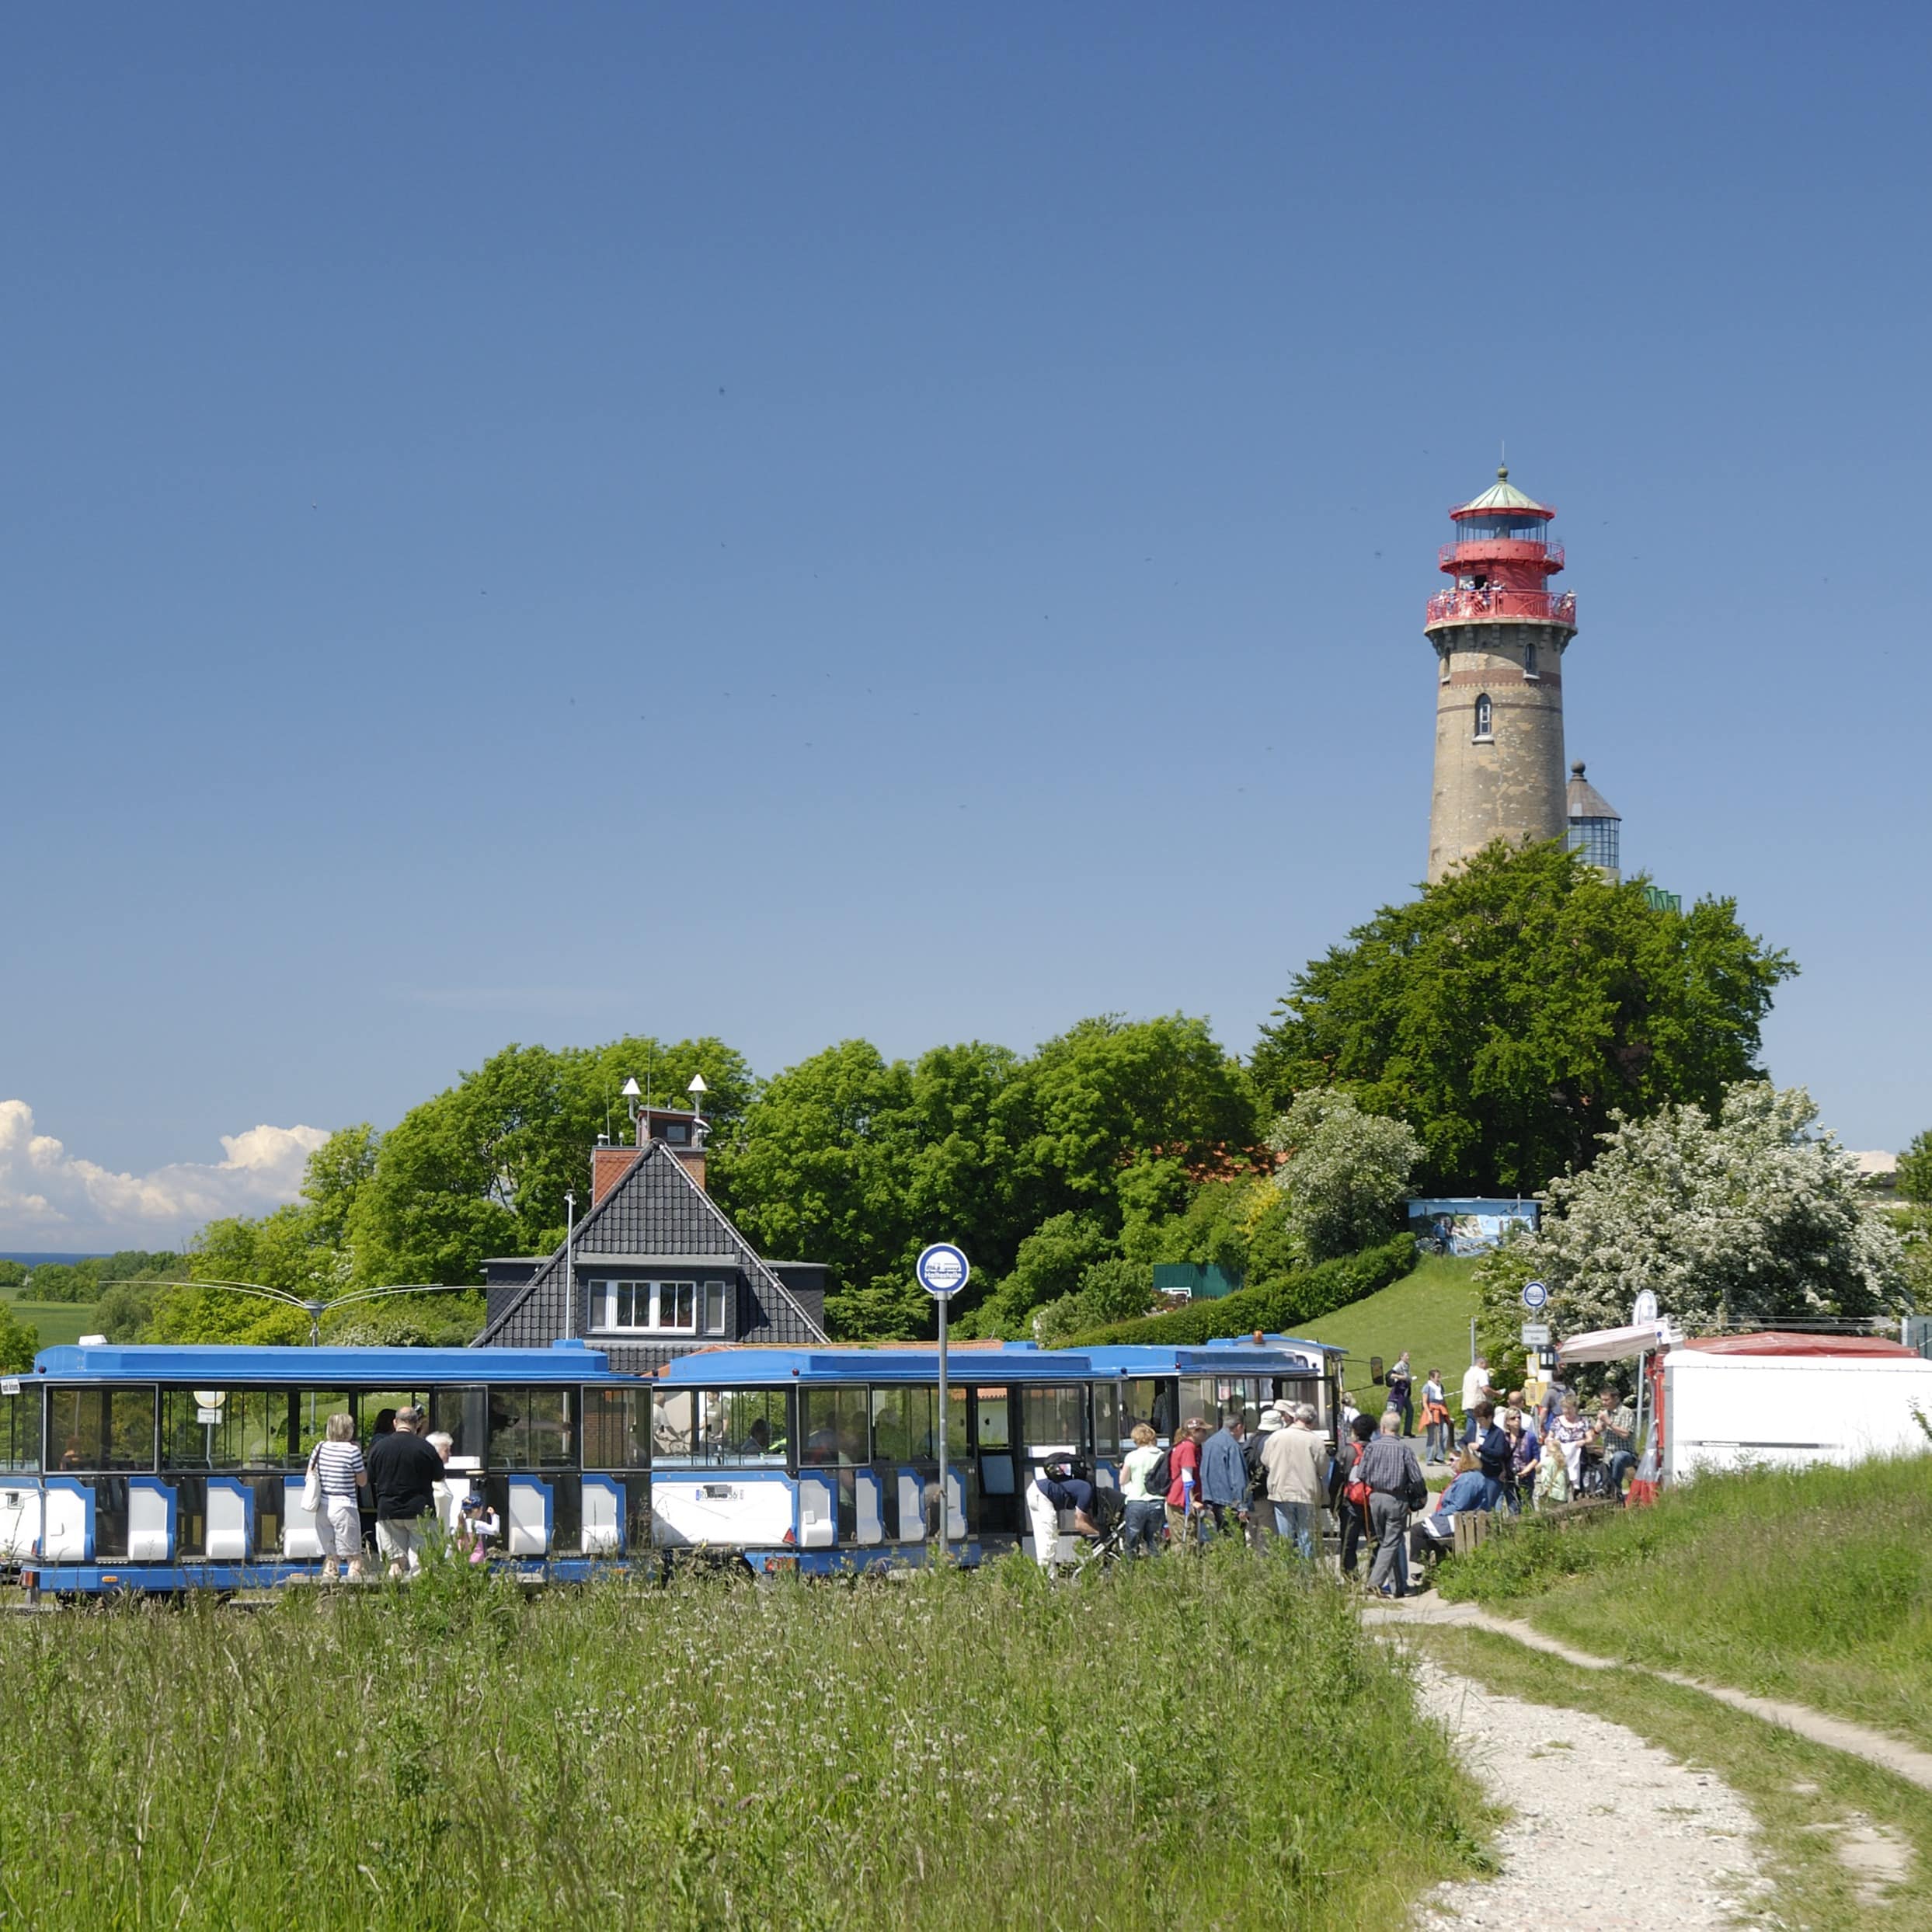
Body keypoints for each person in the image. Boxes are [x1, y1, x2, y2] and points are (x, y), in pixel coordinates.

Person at [365, 1405, 447, 1579]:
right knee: (422, 1562)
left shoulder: (379, 1448)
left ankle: (395, 1600)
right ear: (417, 1424)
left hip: (388, 1511)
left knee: (394, 1563)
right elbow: (439, 1477)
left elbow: (369, 1479)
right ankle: (420, 1601)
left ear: (395, 1422)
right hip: (420, 1511)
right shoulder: (426, 1448)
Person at [1356, 1414, 1425, 1599]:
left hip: (1375, 1497)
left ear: (1382, 1428)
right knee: (1391, 1542)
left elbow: (1361, 1473)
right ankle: (1375, 1582)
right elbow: (1416, 1477)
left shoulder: (1371, 1448)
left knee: (1386, 1541)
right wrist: (1421, 1496)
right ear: (1398, 1428)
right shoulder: (1404, 1449)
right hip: (1396, 1498)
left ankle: (1398, 1586)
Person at [1261, 1401, 1327, 1558]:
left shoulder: (1276, 1437)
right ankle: (1306, 1578)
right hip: (1307, 1494)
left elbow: (1265, 1460)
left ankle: (1286, 1575)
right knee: (1307, 1539)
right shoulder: (1315, 1440)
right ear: (1312, 1422)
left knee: (1285, 1538)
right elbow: (1323, 1468)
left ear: (1295, 1417)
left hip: (1281, 1492)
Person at [309, 1412, 368, 1581]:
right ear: (348, 1430)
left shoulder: (319, 1447)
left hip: (323, 1506)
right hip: (345, 1506)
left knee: (331, 1556)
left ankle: (329, 1591)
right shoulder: (352, 1451)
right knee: (353, 1556)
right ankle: (353, 1592)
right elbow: (362, 1481)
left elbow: (310, 1473)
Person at [1028, 1463, 1099, 1572]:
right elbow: (1080, 1524)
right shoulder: (1087, 1491)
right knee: (1050, 1540)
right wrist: (1101, 1534)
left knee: (1042, 1541)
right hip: (1043, 1495)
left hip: (1034, 1489)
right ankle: (1049, 1582)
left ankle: (1043, 1577)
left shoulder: (1081, 1486)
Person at [1336, 1412, 1377, 1579]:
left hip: (1350, 1503)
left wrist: (1335, 1504)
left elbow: (1337, 1481)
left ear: (1354, 1430)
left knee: (1348, 1542)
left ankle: (1350, 1577)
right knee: (1375, 1542)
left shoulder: (1346, 1451)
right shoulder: (1377, 1449)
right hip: (1373, 1501)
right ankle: (1374, 1576)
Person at [1198, 1408, 1250, 1539]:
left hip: (1213, 1500)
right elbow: (1237, 1478)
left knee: (1222, 1537)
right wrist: (1242, 1506)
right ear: (1239, 1427)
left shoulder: (1209, 1443)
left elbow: (1203, 1472)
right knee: (1235, 1539)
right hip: (1229, 1502)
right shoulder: (1232, 1446)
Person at [1117, 1422, 1166, 1558]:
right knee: (1155, 1542)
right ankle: (1156, 1572)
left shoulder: (1132, 1456)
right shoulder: (1162, 1456)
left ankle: (1130, 1571)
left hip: (1136, 1502)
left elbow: (1122, 1480)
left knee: (1132, 1542)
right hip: (1158, 1501)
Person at [1164, 1418, 1207, 1547]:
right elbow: (1187, 1476)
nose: (1206, 1434)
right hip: (1181, 1500)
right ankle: (1184, 1565)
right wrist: (1191, 1500)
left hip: (1179, 1498)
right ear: (1194, 1432)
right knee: (1185, 1539)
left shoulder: (1190, 1447)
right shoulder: (1188, 1448)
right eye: (1203, 1431)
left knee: (1187, 1537)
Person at [1471, 1401, 1511, 1509]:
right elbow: (1463, 1441)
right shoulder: (1477, 1430)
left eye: (1482, 1420)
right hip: (1478, 1472)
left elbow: (1499, 1453)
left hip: (1492, 1474)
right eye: (1478, 1420)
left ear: (1490, 1418)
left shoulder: (1498, 1433)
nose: (1479, 1423)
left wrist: (1481, 1448)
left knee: (1490, 1504)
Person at [1550, 1394, 1592, 1492]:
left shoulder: (1583, 1421)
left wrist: (1583, 1441)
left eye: (1569, 1408)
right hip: (1560, 1452)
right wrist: (1552, 1443)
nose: (1567, 1411)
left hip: (1578, 1451)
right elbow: (1549, 1437)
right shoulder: (1557, 1421)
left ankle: (1578, 1489)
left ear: (1575, 1408)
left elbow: (1590, 1438)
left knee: (1582, 1461)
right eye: (1564, 1408)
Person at [1460, 1357, 1494, 1446]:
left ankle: (1466, 1446)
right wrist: (1496, 1393)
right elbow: (1485, 1389)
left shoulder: (1468, 1373)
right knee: (1481, 1427)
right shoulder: (1481, 1373)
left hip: (1467, 1403)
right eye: (1486, 1364)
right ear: (1482, 1363)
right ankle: (1479, 1446)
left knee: (1471, 1427)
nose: (1487, 1367)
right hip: (1478, 1404)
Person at [1534, 1427, 1572, 1509]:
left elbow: (1536, 1470)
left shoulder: (1547, 1460)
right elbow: (1568, 1479)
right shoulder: (1563, 1461)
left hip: (1551, 1494)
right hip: (1563, 1495)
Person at [1420, 1370, 1450, 1464]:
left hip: (1440, 1411)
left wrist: (1446, 1412)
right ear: (1432, 1378)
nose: (1439, 1379)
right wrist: (1429, 1414)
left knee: (1445, 1433)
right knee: (1432, 1435)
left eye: (1439, 1377)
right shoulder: (1427, 1387)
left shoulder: (1441, 1387)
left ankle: (1440, 1456)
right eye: (1437, 1377)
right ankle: (1429, 1458)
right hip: (1431, 1411)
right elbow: (1425, 1402)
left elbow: (1443, 1399)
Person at [1386, 1353, 1414, 1439]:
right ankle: (1395, 1432)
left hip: (1405, 1393)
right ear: (1401, 1357)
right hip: (1399, 1394)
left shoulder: (1407, 1365)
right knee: (1398, 1412)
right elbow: (1390, 1374)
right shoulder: (1399, 1365)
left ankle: (1407, 1431)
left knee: (1410, 1410)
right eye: (1406, 1356)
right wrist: (1401, 1377)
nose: (1408, 1357)